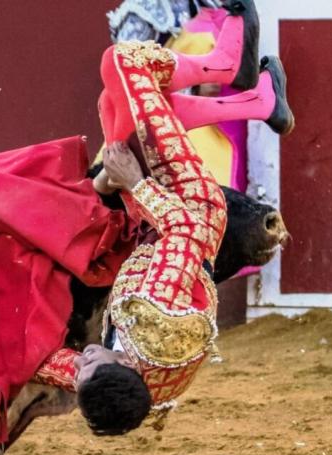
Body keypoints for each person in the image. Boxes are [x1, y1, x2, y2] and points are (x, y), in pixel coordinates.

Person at [33, 0, 294, 433]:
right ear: (119, 366)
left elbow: (59, 368)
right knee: (123, 62)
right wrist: (134, 182)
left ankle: (259, 102)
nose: (83, 358)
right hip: (188, 204)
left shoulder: (135, 389)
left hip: (152, 228)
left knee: (116, 108)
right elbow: (185, 229)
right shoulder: (158, 314)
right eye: (90, 363)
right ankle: (226, 65)